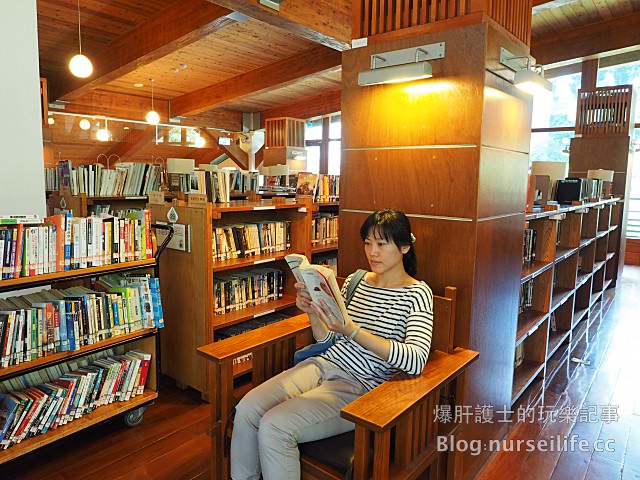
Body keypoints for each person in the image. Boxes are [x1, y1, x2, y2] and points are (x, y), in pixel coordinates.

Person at [230, 209, 434, 480]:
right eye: (368, 243)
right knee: (246, 408)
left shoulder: (417, 293)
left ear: (404, 247)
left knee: (274, 426)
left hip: (360, 386)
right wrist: (313, 311)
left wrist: (352, 331)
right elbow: (327, 340)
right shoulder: (356, 281)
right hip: (322, 365)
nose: (373, 252)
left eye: (382, 244)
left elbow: (416, 359)